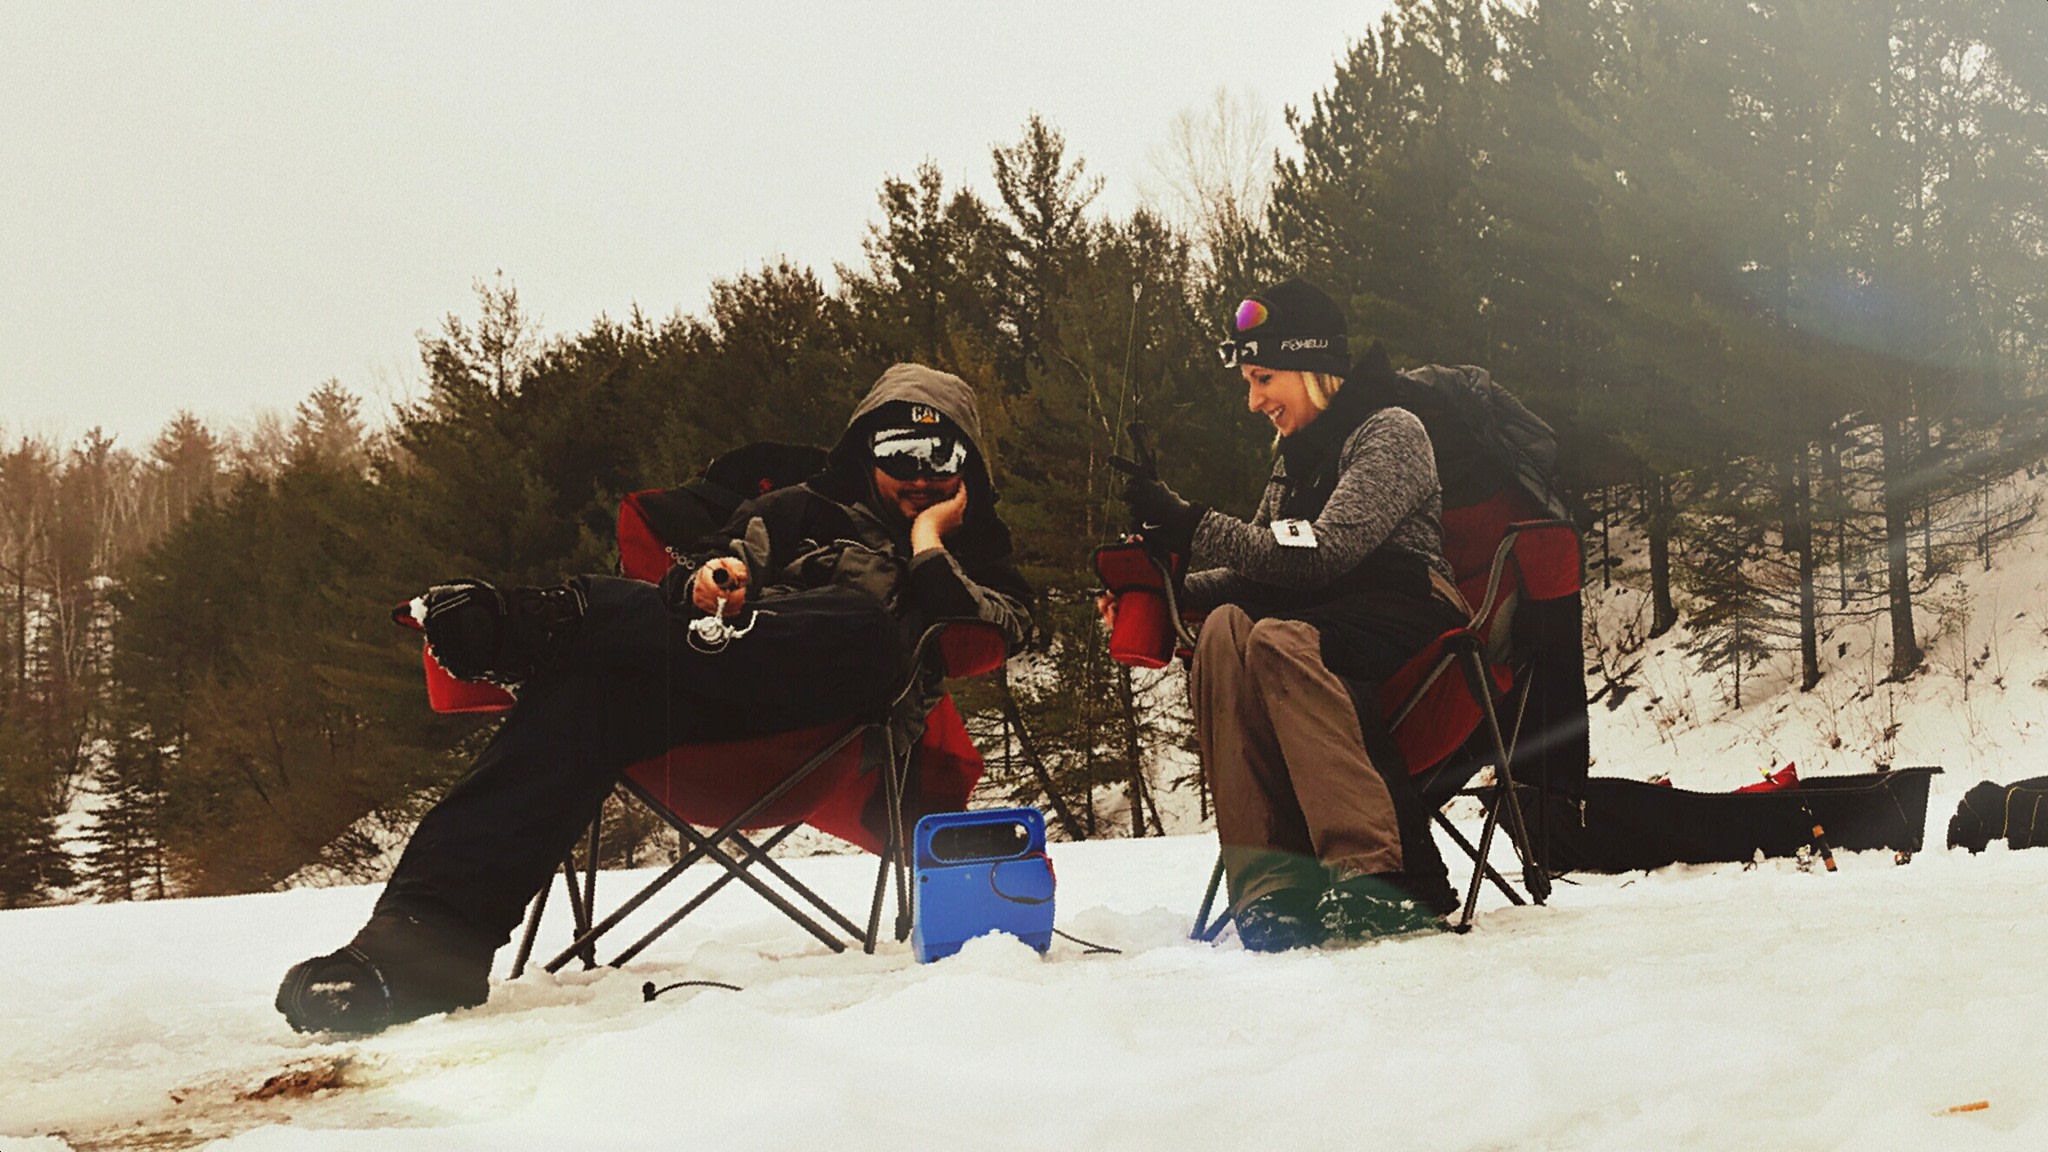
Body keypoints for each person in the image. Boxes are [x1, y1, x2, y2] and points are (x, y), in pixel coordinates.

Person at [277, 363, 1033, 1033]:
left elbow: (977, 628)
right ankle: (416, 952)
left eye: (943, 455)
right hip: (711, 694)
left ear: (968, 466)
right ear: (867, 452)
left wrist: (930, 539)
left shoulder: (983, 552)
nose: (921, 473)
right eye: (899, 452)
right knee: (583, 694)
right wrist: (710, 580)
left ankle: (555, 619)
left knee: (867, 627)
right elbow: (714, 568)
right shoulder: (797, 510)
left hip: (831, 733)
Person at [1109, 279, 1464, 952]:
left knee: (1277, 638)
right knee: (1223, 632)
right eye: (1248, 382)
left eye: (1263, 377)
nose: (1254, 400)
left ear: (1311, 365)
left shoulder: (1390, 430)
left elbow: (1322, 554)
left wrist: (1190, 521)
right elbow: (1257, 566)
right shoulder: (1291, 460)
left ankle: (1380, 877)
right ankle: (1274, 886)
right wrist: (1166, 581)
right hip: (1319, 617)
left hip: (1409, 605)